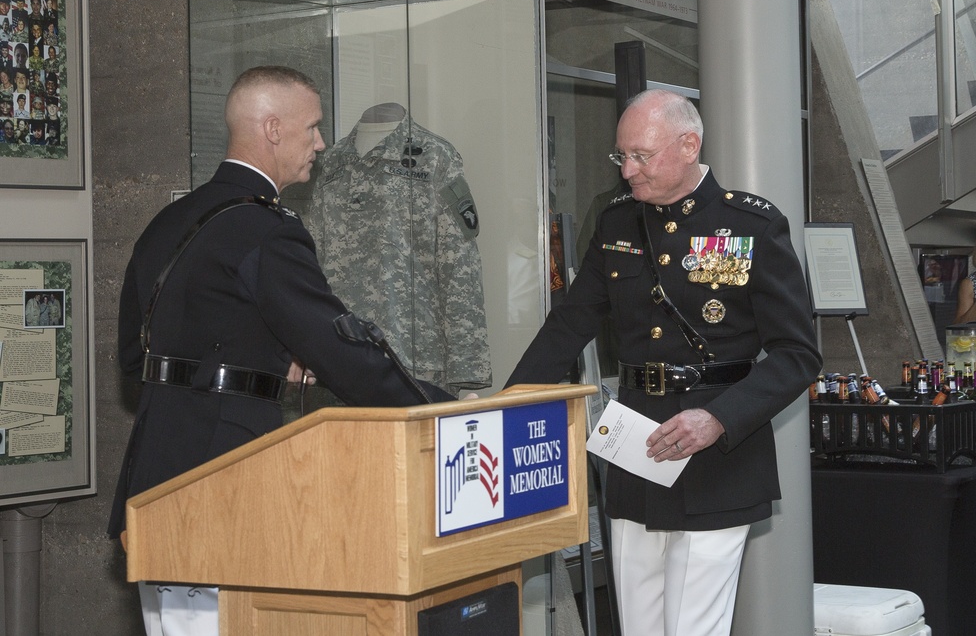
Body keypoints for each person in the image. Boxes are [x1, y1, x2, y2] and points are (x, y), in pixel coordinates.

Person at [110, 65, 454, 636]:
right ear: (272, 129)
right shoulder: (267, 229)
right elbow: (344, 352)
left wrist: (265, 352)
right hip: (230, 481)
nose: (320, 142)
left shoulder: (169, 221)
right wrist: (440, 405)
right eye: (313, 127)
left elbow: (134, 356)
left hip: (155, 481)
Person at [505, 89, 820, 636]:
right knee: (640, 626)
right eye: (620, 156)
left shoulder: (752, 226)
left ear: (688, 144)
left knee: (692, 627)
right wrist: (509, 402)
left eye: (640, 156)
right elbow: (570, 322)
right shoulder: (618, 223)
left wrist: (718, 417)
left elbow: (798, 354)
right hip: (635, 445)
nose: (627, 170)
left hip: (718, 453)